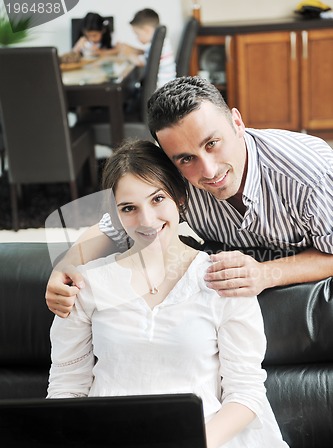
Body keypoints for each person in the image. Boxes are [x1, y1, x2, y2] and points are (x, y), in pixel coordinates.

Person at [46, 139, 306, 448]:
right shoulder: (85, 284)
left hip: (203, 446)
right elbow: (65, 389)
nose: (147, 221)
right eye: (129, 208)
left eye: (158, 200)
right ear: (115, 215)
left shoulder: (222, 278)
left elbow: (245, 394)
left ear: (179, 198)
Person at [45, 76, 333, 318]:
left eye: (212, 144)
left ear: (237, 122)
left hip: (310, 291)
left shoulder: (311, 172)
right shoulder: (173, 177)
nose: (208, 171)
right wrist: (63, 268)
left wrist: (265, 274)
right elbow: (115, 226)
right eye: (186, 159)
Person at [116, 8, 176, 89]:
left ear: (147, 30)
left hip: (160, 89)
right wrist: (131, 49)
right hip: (168, 84)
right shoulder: (163, 42)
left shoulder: (154, 47)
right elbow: (146, 53)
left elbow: (140, 63)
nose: (137, 38)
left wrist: (127, 54)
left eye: (138, 34)